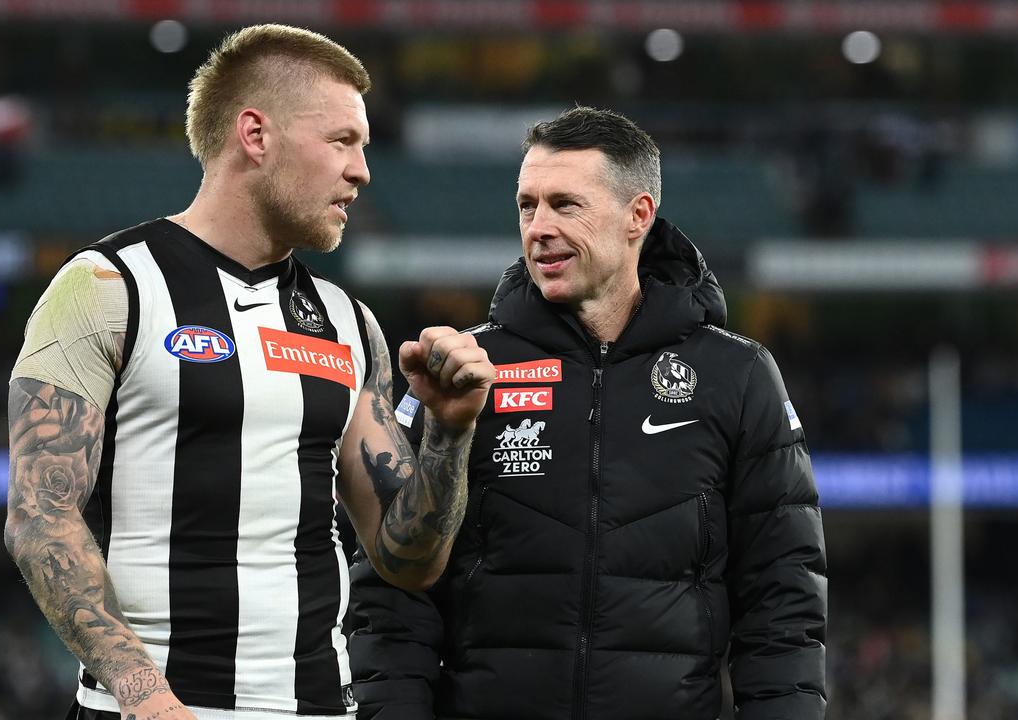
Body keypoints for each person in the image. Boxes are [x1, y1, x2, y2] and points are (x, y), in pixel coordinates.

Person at [4, 25, 495, 720]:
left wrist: (449, 430)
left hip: (320, 707)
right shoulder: (107, 288)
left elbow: (406, 558)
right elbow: (38, 518)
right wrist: (149, 698)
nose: (362, 170)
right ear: (256, 136)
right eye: (342, 141)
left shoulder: (349, 323)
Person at [346, 107, 828, 719]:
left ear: (638, 216)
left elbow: (782, 599)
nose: (538, 227)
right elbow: (392, 595)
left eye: (565, 204)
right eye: (527, 206)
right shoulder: (463, 371)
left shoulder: (737, 375)